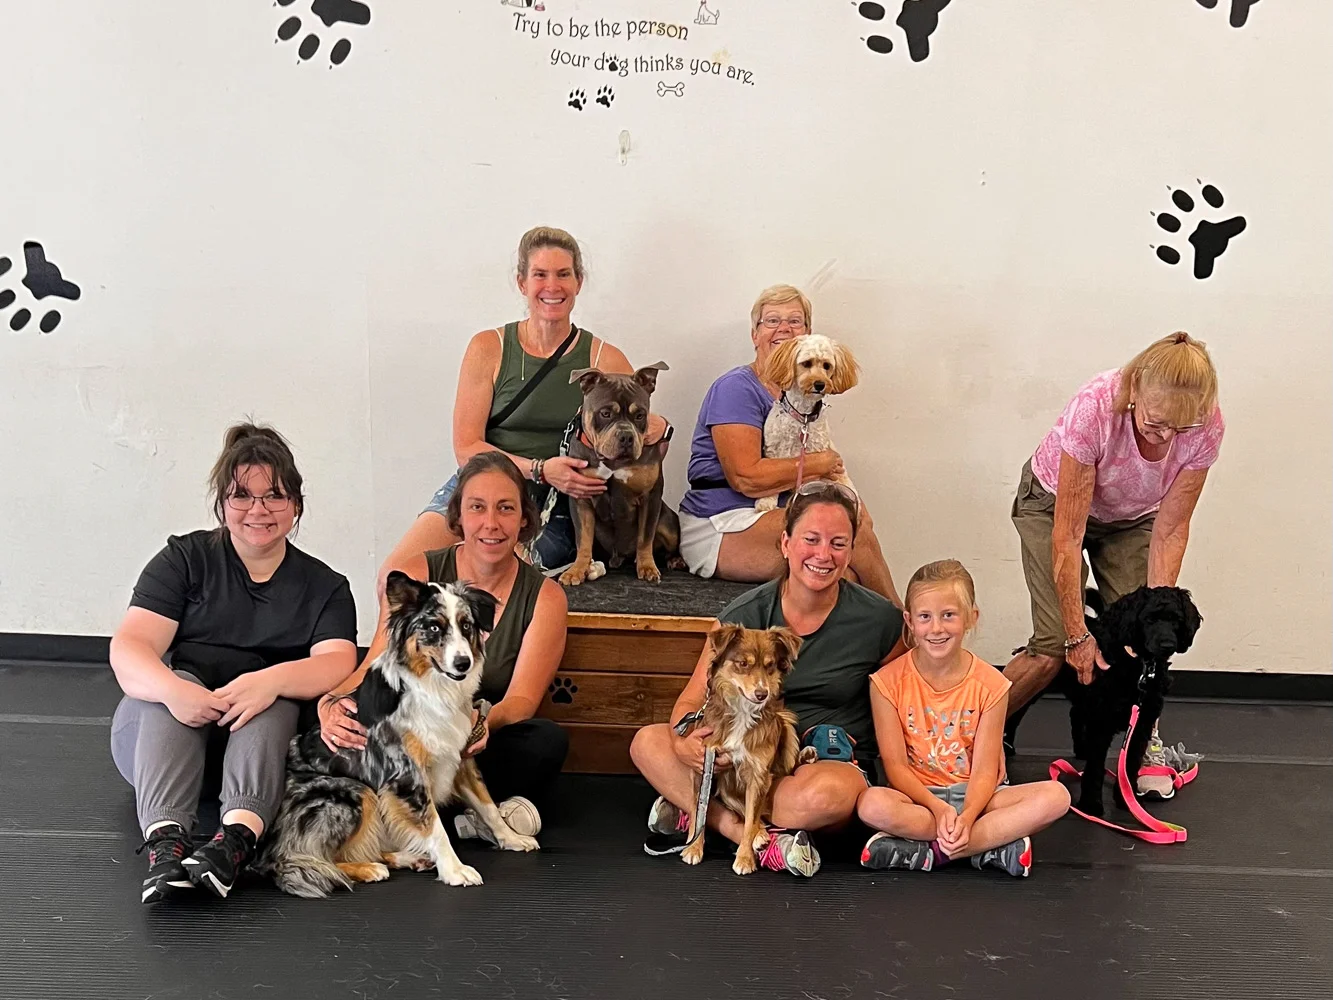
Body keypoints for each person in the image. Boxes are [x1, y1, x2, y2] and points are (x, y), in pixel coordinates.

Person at [109, 423, 358, 904]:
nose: (258, 510)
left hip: (259, 758)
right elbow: (130, 647)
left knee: (278, 701)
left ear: (296, 505)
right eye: (242, 495)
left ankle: (235, 843)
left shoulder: (325, 586)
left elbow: (338, 660)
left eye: (274, 496)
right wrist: (174, 691)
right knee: (165, 688)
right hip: (164, 747)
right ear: (222, 504)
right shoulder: (184, 559)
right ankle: (165, 846)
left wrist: (270, 681)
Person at [631, 481, 906, 877]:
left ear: (850, 552)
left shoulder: (880, 620)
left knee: (820, 798)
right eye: (811, 539)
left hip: (820, 762)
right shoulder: (744, 615)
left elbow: (906, 701)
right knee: (648, 743)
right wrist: (683, 744)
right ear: (785, 543)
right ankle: (747, 833)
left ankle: (699, 813)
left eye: (838, 544)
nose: (823, 555)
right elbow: (690, 702)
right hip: (740, 756)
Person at [380, 225, 669, 584]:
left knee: (500, 579)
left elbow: (638, 429)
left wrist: (662, 428)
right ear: (521, 282)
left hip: (556, 501)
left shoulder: (603, 358)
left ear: (579, 282)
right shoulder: (489, 348)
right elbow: (466, 448)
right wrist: (540, 469)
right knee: (396, 577)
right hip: (484, 481)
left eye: (563, 274)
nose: (552, 286)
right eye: (540, 275)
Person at [1002, 332, 1224, 796]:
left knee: (1140, 637)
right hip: (1053, 506)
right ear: (1135, 389)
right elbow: (1068, 536)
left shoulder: (1206, 423)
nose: (1166, 437)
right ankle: (972, 736)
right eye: (1155, 422)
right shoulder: (1095, 408)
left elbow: (1171, 530)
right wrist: (1076, 634)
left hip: (1131, 518)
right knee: (1051, 646)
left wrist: (1154, 616)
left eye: (1179, 429)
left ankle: (1144, 741)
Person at [319, 451, 569, 843]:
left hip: (473, 739)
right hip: (413, 732)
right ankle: (442, 818)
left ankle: (423, 818)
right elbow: (377, 663)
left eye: (505, 508)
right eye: (477, 507)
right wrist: (329, 703)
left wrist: (482, 722)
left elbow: (522, 699)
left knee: (544, 742)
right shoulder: (418, 573)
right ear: (458, 517)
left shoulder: (546, 597)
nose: (491, 523)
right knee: (326, 728)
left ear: (524, 518)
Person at [676, 284, 901, 605]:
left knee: (846, 577)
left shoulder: (802, 398)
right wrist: (821, 463)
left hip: (779, 515)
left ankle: (887, 631)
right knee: (848, 530)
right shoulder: (736, 389)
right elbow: (746, 477)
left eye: (795, 321)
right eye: (771, 321)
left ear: (807, 333)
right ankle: (906, 625)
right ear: (755, 335)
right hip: (722, 522)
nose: (784, 328)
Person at [856, 560, 1070, 877]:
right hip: (918, 800)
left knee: (1057, 797)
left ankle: (935, 852)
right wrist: (938, 807)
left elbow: (985, 770)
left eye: (949, 615)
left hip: (980, 800)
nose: (936, 628)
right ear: (909, 621)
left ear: (971, 617)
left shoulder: (993, 685)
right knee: (871, 804)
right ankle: (989, 846)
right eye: (925, 617)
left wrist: (968, 816)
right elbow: (896, 767)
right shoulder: (886, 683)